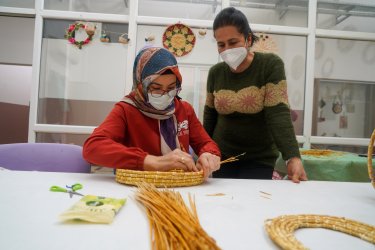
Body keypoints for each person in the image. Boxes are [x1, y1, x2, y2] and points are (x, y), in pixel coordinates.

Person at [203, 7, 307, 183]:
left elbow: (278, 113)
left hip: (259, 157)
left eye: (233, 42)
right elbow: (210, 116)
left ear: (248, 39)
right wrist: (204, 150)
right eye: (221, 44)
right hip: (222, 156)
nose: (227, 49)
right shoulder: (216, 72)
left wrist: (292, 157)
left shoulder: (270, 65)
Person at [83, 47, 221, 179]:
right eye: (156, 88)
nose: (165, 95)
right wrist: (151, 162)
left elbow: (206, 143)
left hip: (178, 186)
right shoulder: (126, 110)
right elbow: (93, 148)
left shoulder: (184, 109)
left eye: (171, 88)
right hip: (137, 189)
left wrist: (209, 154)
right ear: (140, 86)